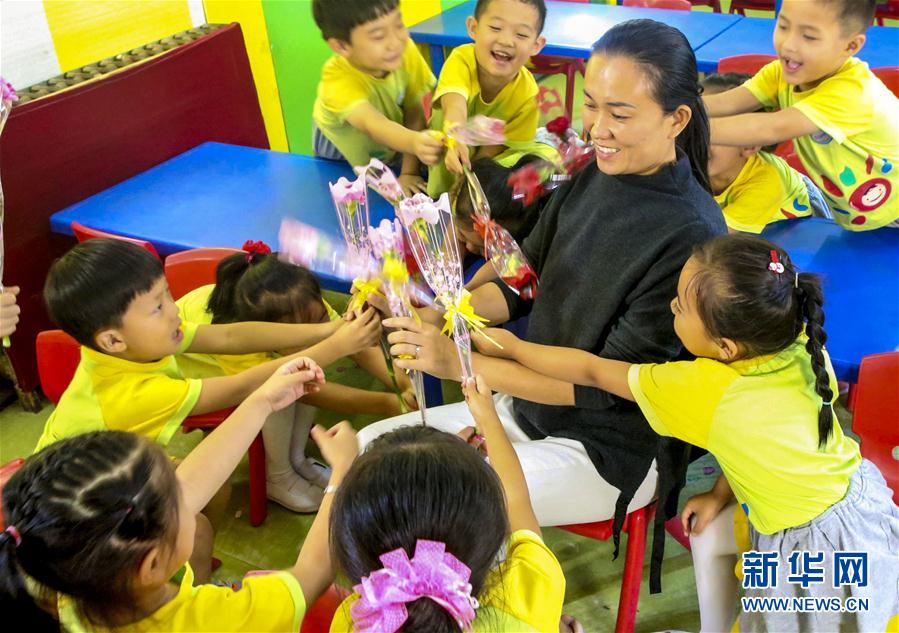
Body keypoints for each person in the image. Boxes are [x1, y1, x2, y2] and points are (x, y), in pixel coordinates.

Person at [372, 19, 727, 593]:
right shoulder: (592, 171)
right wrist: (448, 314)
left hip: (606, 451)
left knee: (419, 504)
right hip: (524, 402)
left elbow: (598, 388)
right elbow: (520, 278)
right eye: (590, 105)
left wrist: (457, 362)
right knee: (372, 462)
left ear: (677, 118)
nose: (598, 128)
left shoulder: (691, 236)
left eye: (620, 113)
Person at [479, 234, 899, 632]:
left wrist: (513, 347)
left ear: (726, 348)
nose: (671, 305)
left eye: (681, 307)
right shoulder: (801, 342)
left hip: (813, 548)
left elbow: (592, 371)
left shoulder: (702, 389)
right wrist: (719, 494)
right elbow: (769, 446)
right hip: (861, 505)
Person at [0, 358, 361, 632]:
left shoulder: (72, 576)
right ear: (151, 565)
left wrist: (262, 402)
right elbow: (311, 574)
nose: (186, 484)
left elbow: (190, 485)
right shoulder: (215, 619)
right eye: (176, 492)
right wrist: (343, 472)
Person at [36, 239, 380, 519]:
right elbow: (244, 386)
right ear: (112, 339)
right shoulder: (134, 393)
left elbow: (230, 338)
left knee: (208, 498)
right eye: (157, 307)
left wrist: (327, 331)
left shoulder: (135, 342)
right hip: (74, 497)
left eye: (166, 295)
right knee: (202, 503)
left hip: (103, 463)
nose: (174, 310)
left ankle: (288, 469)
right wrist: (334, 346)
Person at [328, 374, 566, 632]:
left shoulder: (355, 619)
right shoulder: (530, 588)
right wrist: (488, 417)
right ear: (493, 531)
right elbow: (516, 499)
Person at [176, 245, 416, 485]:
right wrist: (389, 403)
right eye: (298, 335)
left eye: (320, 320)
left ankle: (296, 459)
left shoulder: (300, 300)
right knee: (282, 394)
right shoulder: (238, 337)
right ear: (270, 333)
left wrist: (404, 383)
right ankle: (279, 475)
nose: (312, 333)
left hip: (218, 346)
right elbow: (307, 390)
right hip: (195, 377)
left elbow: (354, 343)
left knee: (304, 375)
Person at [704, 0, 899, 230]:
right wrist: (672, 109)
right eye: (783, 26)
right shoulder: (780, 74)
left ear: (851, 46)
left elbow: (769, 128)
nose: (788, 44)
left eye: (809, 37)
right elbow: (727, 102)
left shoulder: (850, 92)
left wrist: (674, 125)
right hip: (869, 215)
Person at [311, 0, 444, 196]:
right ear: (341, 45)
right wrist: (414, 142)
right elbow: (372, 124)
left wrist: (409, 172)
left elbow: (414, 111)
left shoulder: (405, 50)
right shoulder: (336, 80)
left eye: (399, 25)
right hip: (338, 150)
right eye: (378, 36)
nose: (396, 41)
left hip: (388, 131)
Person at [426, 0, 559, 196]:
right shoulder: (461, 59)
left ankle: (470, 195)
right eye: (495, 28)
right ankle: (440, 197)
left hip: (493, 154)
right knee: (443, 127)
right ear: (473, 28)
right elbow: (454, 103)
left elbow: (498, 148)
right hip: (454, 138)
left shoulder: (528, 93)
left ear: (536, 45)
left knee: (546, 161)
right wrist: (456, 138)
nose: (506, 41)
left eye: (521, 34)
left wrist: (473, 174)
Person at [702, 73, 829, 233]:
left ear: (749, 145)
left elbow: (712, 235)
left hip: (800, 229)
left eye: (716, 132)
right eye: (690, 128)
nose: (695, 142)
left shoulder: (767, 182)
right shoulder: (683, 163)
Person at [450, 156, 547, 255]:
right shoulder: (471, 195)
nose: (469, 247)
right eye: (462, 235)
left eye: (483, 248)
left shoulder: (523, 231)